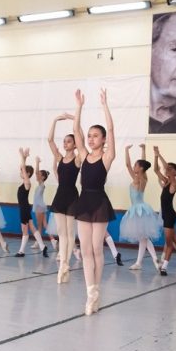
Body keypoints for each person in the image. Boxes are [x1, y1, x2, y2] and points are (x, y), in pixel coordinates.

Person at [72, 88, 115, 315]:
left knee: (97, 249)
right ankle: (90, 294)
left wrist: (105, 105)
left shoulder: (107, 157)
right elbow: (75, 132)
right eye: (89, 136)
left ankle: (96, 291)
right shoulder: (84, 155)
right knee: (85, 250)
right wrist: (79, 105)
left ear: (104, 139)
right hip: (83, 202)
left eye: (95, 136)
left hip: (99, 203)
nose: (90, 139)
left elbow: (111, 128)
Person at [48, 114, 81, 283]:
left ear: (75, 144)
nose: (65, 143)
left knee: (70, 233)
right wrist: (54, 121)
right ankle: (63, 264)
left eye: (69, 141)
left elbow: (82, 143)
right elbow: (50, 140)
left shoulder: (77, 159)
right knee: (61, 233)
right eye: (65, 141)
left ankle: (65, 264)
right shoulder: (60, 158)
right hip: (60, 196)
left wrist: (76, 121)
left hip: (72, 197)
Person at [120, 144, 162, 271]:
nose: (133, 167)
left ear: (140, 168)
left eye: (136, 165)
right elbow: (142, 164)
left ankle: (154, 261)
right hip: (140, 209)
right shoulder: (144, 177)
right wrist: (143, 150)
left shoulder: (137, 179)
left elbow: (127, 165)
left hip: (137, 211)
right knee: (143, 238)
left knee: (143, 238)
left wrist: (126, 150)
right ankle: (141, 262)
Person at [153, 146, 176, 275]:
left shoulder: (174, 183)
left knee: (169, 244)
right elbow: (156, 169)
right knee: (175, 240)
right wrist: (156, 155)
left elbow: (166, 169)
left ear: (175, 172)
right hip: (167, 215)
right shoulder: (166, 182)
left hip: (169, 216)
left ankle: (164, 267)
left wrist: (161, 154)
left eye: (170, 169)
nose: (167, 170)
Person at [15, 149, 49, 257]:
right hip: (25, 208)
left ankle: (21, 251)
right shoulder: (25, 183)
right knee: (32, 227)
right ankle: (43, 246)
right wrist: (24, 158)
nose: (21, 173)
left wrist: (22, 157)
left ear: (27, 174)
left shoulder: (27, 183)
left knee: (25, 230)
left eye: (22, 171)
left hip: (24, 209)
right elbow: (24, 169)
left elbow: (24, 169)